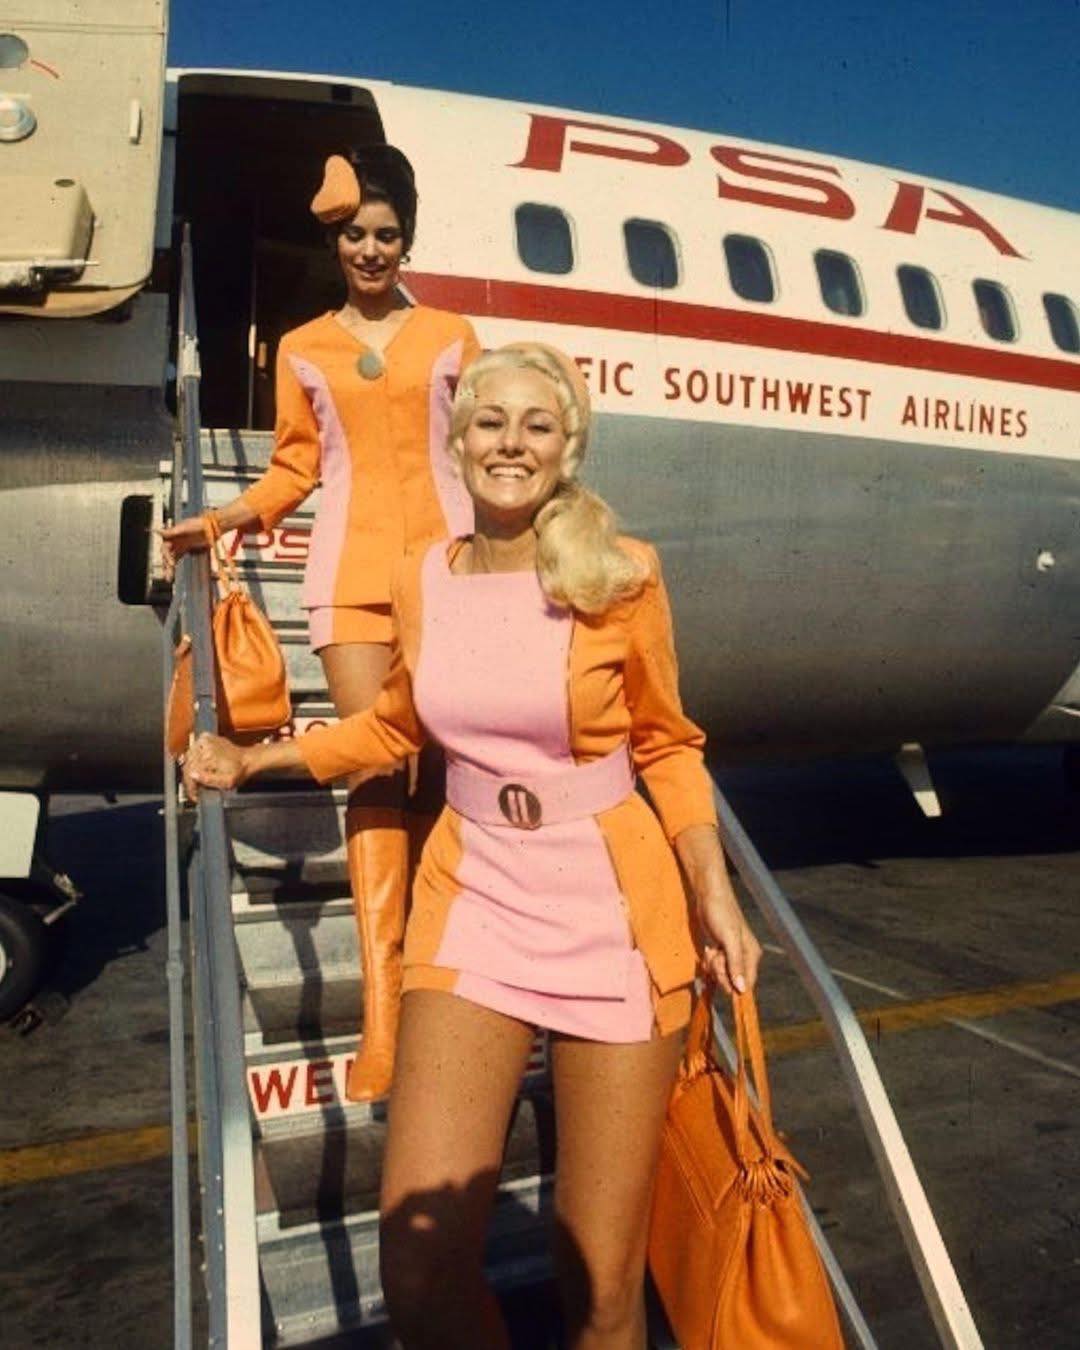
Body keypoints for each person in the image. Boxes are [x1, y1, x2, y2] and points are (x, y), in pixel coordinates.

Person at [184, 342, 762, 1349]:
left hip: (612, 914)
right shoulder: (427, 578)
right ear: (459, 441)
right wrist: (257, 757)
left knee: (602, 1283)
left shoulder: (622, 574)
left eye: (539, 425)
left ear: (568, 448)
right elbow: (392, 728)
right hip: (475, 900)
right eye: (491, 421)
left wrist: (713, 890)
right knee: (417, 1268)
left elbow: (668, 746)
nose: (511, 443)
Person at [161, 145, 481, 1102]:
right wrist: (221, 519)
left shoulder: (455, 337)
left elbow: (491, 454)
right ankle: (385, 1018)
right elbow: (295, 469)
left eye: (386, 234)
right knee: (374, 771)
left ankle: (444, 990)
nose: (370, 250)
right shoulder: (303, 346)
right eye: (355, 235)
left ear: (407, 239)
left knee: (444, 776)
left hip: (450, 577)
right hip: (348, 580)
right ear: (335, 241)